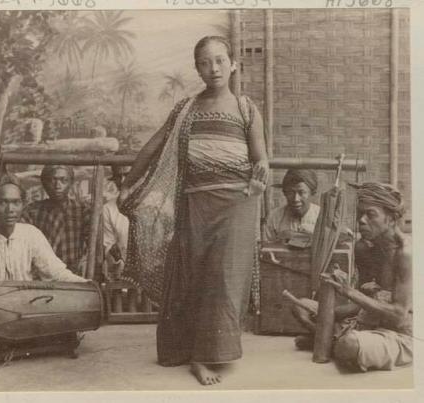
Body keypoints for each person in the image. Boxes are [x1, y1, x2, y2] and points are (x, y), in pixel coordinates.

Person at [118, 36, 269, 385]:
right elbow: (154, 145)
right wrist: (129, 181)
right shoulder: (186, 108)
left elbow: (260, 158)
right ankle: (189, 350)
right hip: (195, 204)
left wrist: (260, 175)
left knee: (224, 281)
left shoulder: (246, 108)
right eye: (204, 62)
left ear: (233, 64)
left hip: (238, 205)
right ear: (197, 68)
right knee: (195, 277)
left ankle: (206, 356)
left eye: (219, 60)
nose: (213, 68)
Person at [0, 173, 87, 361]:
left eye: (16, 202)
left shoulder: (31, 235)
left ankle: (4, 345)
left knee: (67, 310)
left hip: (28, 309)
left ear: (22, 205)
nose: (10, 209)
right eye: (3, 202)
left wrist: (86, 284)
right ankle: (18, 342)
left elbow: (56, 273)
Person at [292, 182, 412, 372]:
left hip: (401, 334)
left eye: (370, 214)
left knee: (349, 345)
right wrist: (327, 312)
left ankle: (329, 341)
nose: (361, 220)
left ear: (391, 218)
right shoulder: (364, 248)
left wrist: (349, 292)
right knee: (301, 306)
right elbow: (362, 305)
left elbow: (398, 316)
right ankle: (331, 340)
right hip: (366, 322)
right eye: (359, 214)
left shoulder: (406, 255)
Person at [21, 165, 91, 275]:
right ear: (44, 183)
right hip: (41, 273)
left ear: (71, 182)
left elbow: (93, 244)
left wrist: (85, 261)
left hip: (73, 273)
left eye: (64, 180)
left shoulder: (82, 210)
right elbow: (23, 245)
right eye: (52, 180)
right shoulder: (32, 211)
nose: (58, 186)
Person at [263, 169, 320, 242]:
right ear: (285, 193)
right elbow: (267, 249)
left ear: (312, 193)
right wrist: (280, 238)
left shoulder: (321, 216)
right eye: (291, 192)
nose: (296, 199)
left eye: (301, 192)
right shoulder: (274, 217)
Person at [102, 165, 131, 280]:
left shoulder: (154, 203)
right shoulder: (109, 208)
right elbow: (108, 243)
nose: (123, 181)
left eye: (128, 176)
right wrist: (115, 256)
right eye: (119, 177)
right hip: (123, 270)